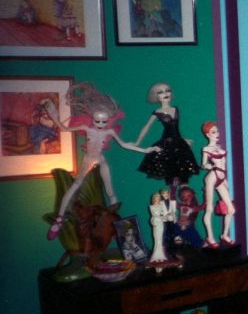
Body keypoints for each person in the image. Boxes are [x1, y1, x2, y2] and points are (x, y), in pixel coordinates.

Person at [41, 83, 160, 240]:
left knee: (110, 192)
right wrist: (54, 117)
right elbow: (64, 128)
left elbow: (125, 144)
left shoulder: (109, 131)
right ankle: (59, 219)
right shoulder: (87, 128)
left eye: (104, 122)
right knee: (74, 187)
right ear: (92, 119)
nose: (100, 125)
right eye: (97, 121)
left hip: (101, 160)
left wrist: (146, 150)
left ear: (108, 121)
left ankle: (118, 225)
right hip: (88, 159)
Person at [134, 82, 200, 186]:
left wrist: (183, 139)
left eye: (167, 90)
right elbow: (146, 127)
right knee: (170, 173)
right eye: (160, 92)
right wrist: (137, 142)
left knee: (184, 174)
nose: (165, 93)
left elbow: (175, 128)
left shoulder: (175, 109)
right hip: (167, 144)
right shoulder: (157, 112)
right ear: (156, 96)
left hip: (180, 144)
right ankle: (172, 198)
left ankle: (187, 197)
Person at [200, 121, 236, 248]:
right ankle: (210, 237)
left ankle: (224, 235)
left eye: (217, 131)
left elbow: (224, 166)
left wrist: (225, 180)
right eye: (213, 132)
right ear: (207, 134)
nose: (217, 134)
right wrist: (208, 165)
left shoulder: (221, 149)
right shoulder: (206, 149)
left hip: (221, 177)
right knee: (209, 208)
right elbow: (203, 164)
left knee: (231, 209)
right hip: (212, 177)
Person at [148, 191, 169, 263]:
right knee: (156, 240)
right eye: (156, 198)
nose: (157, 199)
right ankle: (155, 256)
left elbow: (165, 213)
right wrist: (160, 217)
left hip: (160, 223)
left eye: (158, 198)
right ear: (154, 198)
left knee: (160, 240)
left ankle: (161, 256)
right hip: (156, 223)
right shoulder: (151, 206)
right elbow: (154, 215)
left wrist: (165, 216)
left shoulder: (161, 205)